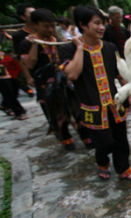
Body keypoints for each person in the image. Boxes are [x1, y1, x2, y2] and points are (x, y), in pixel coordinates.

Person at [61, 6, 131, 181]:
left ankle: (124, 168)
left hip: (115, 104)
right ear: (82, 25)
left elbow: (121, 74)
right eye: (96, 23)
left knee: (121, 140)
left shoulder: (110, 47)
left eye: (102, 23)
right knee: (103, 143)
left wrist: (130, 95)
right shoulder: (69, 49)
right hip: (92, 108)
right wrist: (80, 48)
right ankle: (102, 162)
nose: (101, 27)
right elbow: (72, 74)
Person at [18, 8, 92, 149]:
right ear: (35, 25)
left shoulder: (57, 40)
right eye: (46, 26)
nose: (50, 29)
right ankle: (66, 139)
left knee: (77, 109)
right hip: (47, 84)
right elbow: (29, 63)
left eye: (52, 25)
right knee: (58, 112)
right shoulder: (27, 43)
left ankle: (86, 136)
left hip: (64, 80)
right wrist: (35, 44)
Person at [11, 3, 36, 97]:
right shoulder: (19, 36)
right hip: (34, 70)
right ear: (23, 17)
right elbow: (20, 58)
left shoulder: (44, 30)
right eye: (31, 14)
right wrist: (28, 77)